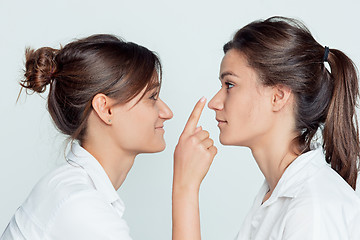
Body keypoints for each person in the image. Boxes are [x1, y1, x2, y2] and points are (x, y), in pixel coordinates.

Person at [172, 16, 360, 239]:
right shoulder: (274, 194)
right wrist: (186, 187)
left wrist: (185, 188)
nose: (215, 102)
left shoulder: (312, 208)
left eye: (229, 85)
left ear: (278, 96)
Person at [1, 34, 173, 240]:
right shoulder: (80, 206)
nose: (167, 112)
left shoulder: (70, 190)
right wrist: (185, 186)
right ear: (106, 109)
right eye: (152, 97)